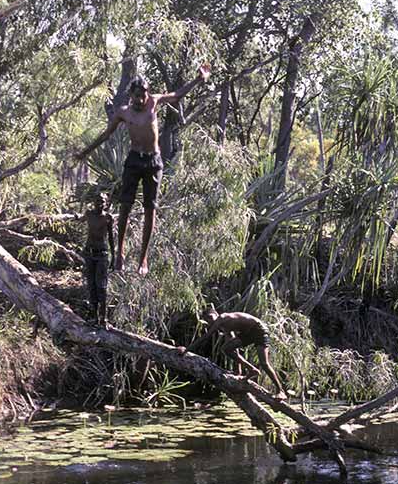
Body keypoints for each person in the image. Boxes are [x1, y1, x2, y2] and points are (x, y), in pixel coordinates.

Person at [74, 62, 211, 276]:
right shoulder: (123, 112)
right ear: (131, 95)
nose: (140, 100)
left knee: (150, 209)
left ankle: (143, 258)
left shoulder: (153, 103)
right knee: (125, 207)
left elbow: (176, 95)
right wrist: (85, 152)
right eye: (137, 96)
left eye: (143, 96)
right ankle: (120, 253)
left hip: (153, 162)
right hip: (134, 160)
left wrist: (198, 79)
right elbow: (106, 134)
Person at [184, 310, 287, 398]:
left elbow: (206, 336)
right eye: (208, 320)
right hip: (248, 334)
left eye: (211, 317)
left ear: (216, 314)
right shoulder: (225, 327)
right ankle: (251, 370)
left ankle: (280, 391)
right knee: (227, 349)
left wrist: (186, 350)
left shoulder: (223, 317)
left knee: (264, 363)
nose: (211, 320)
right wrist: (239, 371)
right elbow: (234, 347)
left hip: (259, 330)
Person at [77, 192, 116, 328]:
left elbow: (111, 238)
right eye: (98, 201)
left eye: (103, 201)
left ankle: (103, 319)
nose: (100, 203)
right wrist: (76, 217)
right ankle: (93, 317)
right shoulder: (89, 214)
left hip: (102, 255)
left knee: (102, 287)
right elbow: (81, 218)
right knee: (91, 285)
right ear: (94, 202)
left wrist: (114, 257)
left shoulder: (108, 218)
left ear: (106, 204)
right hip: (89, 254)